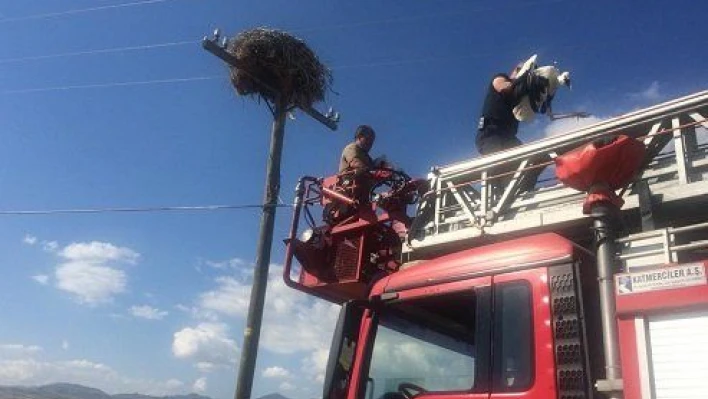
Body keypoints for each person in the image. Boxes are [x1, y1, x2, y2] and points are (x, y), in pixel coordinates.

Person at [475, 63, 550, 197]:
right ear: (515, 71)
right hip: (491, 134)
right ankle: (499, 196)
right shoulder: (501, 78)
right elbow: (503, 87)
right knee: (499, 167)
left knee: (534, 160)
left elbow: (531, 107)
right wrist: (524, 79)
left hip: (508, 138)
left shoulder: (519, 97)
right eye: (520, 70)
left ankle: (523, 190)